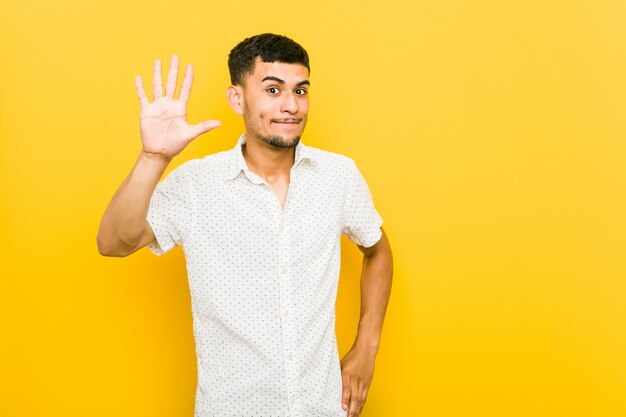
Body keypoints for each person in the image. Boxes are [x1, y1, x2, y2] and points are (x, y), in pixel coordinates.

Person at [97, 33, 393, 417]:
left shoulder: (338, 176)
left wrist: (366, 347)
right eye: (273, 89)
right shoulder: (195, 185)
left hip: (324, 409)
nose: (291, 106)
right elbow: (113, 242)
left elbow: (377, 249)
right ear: (237, 98)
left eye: (301, 91)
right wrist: (153, 157)